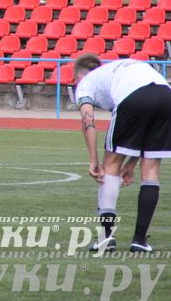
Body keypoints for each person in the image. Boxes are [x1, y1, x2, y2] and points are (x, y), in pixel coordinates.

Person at [73, 54, 171, 253]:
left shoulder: (85, 83)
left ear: (79, 76)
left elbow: (88, 120)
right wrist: (132, 163)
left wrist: (94, 159)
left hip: (133, 96)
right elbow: (142, 128)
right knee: (151, 168)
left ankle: (106, 238)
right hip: (166, 94)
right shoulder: (116, 69)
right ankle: (139, 241)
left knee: (111, 164)